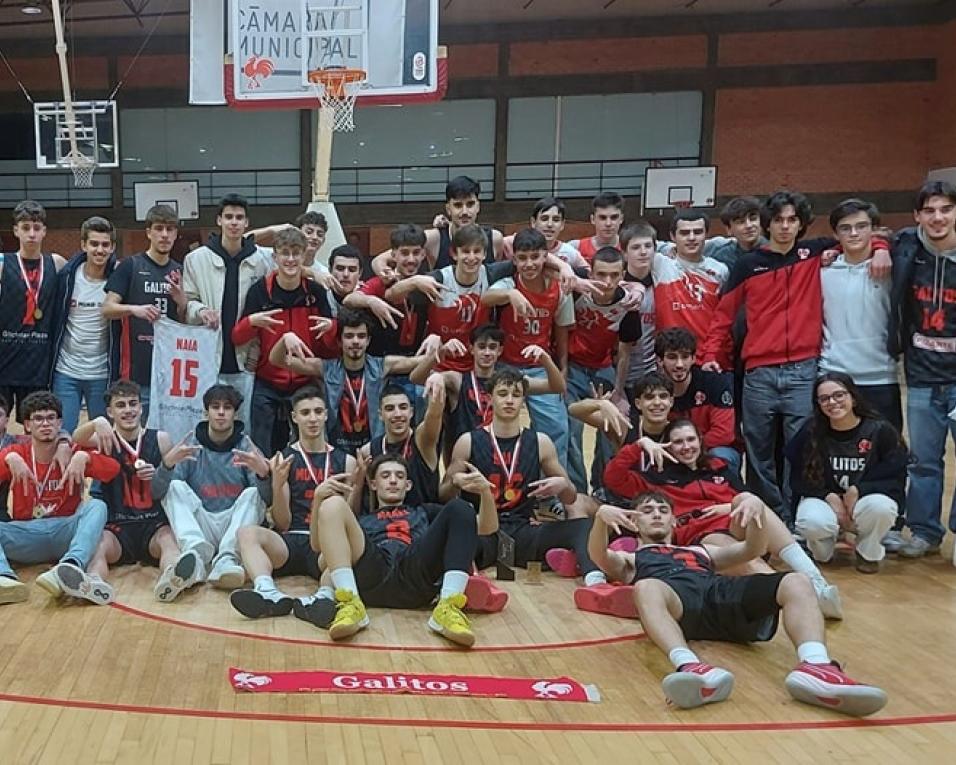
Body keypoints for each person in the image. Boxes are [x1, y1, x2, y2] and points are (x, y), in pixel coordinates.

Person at [583, 493, 887, 716]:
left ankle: (816, 667)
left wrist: (755, 512)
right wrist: (600, 521)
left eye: (663, 509)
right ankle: (691, 667)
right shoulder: (631, 559)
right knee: (646, 587)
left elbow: (752, 548)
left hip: (719, 596)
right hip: (679, 603)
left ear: (675, 520)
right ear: (634, 522)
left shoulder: (703, 550)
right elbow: (599, 556)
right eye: (647, 510)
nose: (657, 514)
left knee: (796, 581)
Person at [700, 190, 890, 520]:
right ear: (767, 224)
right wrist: (712, 353)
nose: (785, 227)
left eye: (792, 220)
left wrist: (882, 248)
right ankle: (767, 517)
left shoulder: (814, 253)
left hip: (804, 370)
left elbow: (865, 239)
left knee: (799, 449)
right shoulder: (748, 265)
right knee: (758, 452)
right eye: (778, 220)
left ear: (801, 224)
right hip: (759, 372)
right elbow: (723, 315)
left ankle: (795, 515)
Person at [602, 418, 843, 619]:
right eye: (677, 442)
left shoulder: (719, 466)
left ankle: (815, 580)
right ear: (667, 446)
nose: (686, 446)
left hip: (734, 521)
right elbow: (612, 477)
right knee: (742, 553)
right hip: (702, 537)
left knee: (752, 502)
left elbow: (744, 497)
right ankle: (803, 594)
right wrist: (640, 444)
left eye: (690, 439)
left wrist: (728, 506)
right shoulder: (655, 477)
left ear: (700, 441)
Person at [443, 369, 606, 586]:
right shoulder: (468, 441)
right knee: (453, 534)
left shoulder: (541, 442)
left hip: (524, 530)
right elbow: (443, 494)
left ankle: (596, 584)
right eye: (502, 394)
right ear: (490, 398)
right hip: (483, 530)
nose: (509, 400)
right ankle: (466, 584)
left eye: (516, 394)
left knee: (582, 526)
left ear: (523, 400)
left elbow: (570, 498)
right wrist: (456, 482)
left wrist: (562, 484)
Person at [314, 455, 494, 646]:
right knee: (332, 504)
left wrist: (485, 493)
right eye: (386, 475)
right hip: (374, 568)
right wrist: (318, 499)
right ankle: (350, 602)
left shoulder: (424, 511)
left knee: (461, 508)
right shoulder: (360, 519)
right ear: (373, 484)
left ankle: (448, 606)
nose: (393, 480)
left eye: (399, 476)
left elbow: (486, 528)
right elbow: (318, 547)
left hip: (413, 570)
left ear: (408, 485)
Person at [229, 386, 354, 620]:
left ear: (327, 414)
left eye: (318, 411)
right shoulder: (282, 458)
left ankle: (322, 599)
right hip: (289, 540)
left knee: (345, 547)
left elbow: (350, 517)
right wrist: (277, 484)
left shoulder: (346, 461)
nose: (313, 418)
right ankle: (268, 592)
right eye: (305, 413)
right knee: (246, 533)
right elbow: (282, 521)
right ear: (294, 418)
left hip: (323, 545)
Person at [73, 380, 200, 601]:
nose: (128, 410)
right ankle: (93, 583)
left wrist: (159, 472)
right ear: (110, 412)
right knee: (99, 547)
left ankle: (172, 577)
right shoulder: (104, 440)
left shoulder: (160, 439)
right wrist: (96, 423)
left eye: (133, 404)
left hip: (153, 523)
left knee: (168, 542)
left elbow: (170, 485)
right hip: (117, 525)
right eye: (120, 405)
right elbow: (76, 437)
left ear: (141, 407)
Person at [887, 181, 956, 560]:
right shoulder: (907, 249)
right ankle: (926, 531)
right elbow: (875, 238)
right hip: (920, 376)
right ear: (917, 217)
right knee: (924, 460)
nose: (938, 217)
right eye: (929, 211)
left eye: (945, 209)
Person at [0, 391, 119, 605]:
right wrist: (7, 458)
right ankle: (4, 578)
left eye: (50, 418)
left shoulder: (73, 451)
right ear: (27, 425)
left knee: (97, 506)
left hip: (66, 530)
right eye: (38, 418)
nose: (45, 424)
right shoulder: (17, 452)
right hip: (27, 533)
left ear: (60, 423)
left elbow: (112, 471)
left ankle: (70, 566)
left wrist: (85, 457)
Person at [152, 384, 271, 589]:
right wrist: (166, 465)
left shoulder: (247, 447)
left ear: (235, 413)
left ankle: (226, 559)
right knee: (175, 486)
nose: (221, 412)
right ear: (206, 412)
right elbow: (157, 493)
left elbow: (266, 501)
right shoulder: (191, 445)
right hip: (201, 524)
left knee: (253, 492)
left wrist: (264, 475)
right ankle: (195, 555)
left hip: (233, 527)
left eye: (227, 407)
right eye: (216, 407)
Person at [788, 373, 906, 574]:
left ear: (853, 396)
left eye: (839, 395)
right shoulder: (810, 431)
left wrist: (859, 489)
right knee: (811, 521)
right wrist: (829, 496)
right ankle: (821, 547)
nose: (832, 402)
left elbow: (895, 476)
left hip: (864, 501)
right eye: (824, 398)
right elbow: (797, 480)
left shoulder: (879, 429)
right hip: (825, 501)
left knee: (882, 508)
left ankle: (868, 552)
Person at [231, 226, 335, 454]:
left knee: (312, 447)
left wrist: (333, 327)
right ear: (274, 256)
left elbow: (329, 344)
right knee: (261, 449)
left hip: (305, 381)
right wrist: (252, 322)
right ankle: (263, 488)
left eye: (296, 253)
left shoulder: (316, 291)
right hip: (267, 381)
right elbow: (237, 338)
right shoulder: (259, 291)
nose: (290, 259)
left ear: (304, 254)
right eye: (285, 253)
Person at [482, 228, 575, 467]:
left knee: (557, 428)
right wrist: (511, 294)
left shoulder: (558, 289)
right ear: (514, 260)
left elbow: (561, 330)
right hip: (505, 368)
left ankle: (553, 492)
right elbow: (485, 299)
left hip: (539, 368)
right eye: (522, 258)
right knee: (494, 427)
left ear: (546, 256)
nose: (529, 263)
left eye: (535, 257)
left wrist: (562, 367)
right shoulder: (507, 283)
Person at [182, 193, 276, 426]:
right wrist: (201, 310)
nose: (234, 222)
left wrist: (259, 348)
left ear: (246, 224)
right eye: (229, 217)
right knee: (206, 423)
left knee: (243, 427)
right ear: (219, 220)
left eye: (239, 217)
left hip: (246, 359)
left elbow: (271, 308)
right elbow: (188, 301)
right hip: (207, 358)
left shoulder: (264, 260)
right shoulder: (196, 259)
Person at [409, 324, 566, 455]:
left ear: (500, 351)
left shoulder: (511, 381)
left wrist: (546, 359)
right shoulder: (456, 380)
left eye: (492, 348)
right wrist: (441, 352)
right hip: (464, 455)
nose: (487, 353)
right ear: (471, 349)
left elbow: (557, 387)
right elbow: (416, 378)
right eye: (481, 347)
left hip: (500, 455)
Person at [820, 199, 902, 431]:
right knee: (837, 455)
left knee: (887, 454)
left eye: (862, 226)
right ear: (836, 234)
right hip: (835, 376)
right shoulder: (822, 272)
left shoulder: (893, 269)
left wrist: (882, 249)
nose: (854, 233)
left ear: (873, 230)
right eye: (845, 228)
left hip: (881, 377)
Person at [566, 246, 643, 491]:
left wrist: (618, 391)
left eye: (614, 275)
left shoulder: (628, 304)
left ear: (623, 275)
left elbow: (625, 351)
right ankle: (577, 491)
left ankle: (603, 486)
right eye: (601, 274)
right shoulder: (577, 290)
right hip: (572, 366)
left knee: (612, 424)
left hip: (602, 368)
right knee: (571, 429)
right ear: (591, 273)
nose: (607, 281)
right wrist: (562, 369)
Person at [268, 308, 392, 453]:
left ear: (368, 340)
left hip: (372, 448)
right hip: (336, 450)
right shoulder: (325, 368)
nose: (356, 341)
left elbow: (417, 362)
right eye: (349, 336)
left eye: (361, 336)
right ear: (339, 341)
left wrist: (427, 340)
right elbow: (276, 360)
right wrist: (285, 339)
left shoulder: (383, 366)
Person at [103, 204, 182, 415]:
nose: (164, 235)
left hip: (170, 373)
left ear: (176, 233)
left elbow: (185, 320)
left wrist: (181, 301)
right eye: (158, 228)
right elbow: (107, 308)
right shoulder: (131, 265)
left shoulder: (180, 270)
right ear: (149, 232)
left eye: (170, 229)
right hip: (136, 372)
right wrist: (133, 309)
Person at [0, 201, 67, 418]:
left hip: (38, 365)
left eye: (37, 228)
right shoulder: (3, 264)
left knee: (36, 426)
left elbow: (86, 273)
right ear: (16, 230)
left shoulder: (56, 263)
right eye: (26, 227)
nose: (31, 234)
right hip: (5, 360)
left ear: (44, 232)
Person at [51, 216, 117, 433]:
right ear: (83, 245)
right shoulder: (67, 276)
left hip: (101, 374)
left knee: (103, 437)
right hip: (66, 371)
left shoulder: (118, 280)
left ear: (112, 247)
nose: (99, 250)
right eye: (94, 244)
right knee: (64, 433)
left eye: (105, 244)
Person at [655, 327, 740, 474]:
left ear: (694, 358)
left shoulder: (714, 383)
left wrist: (688, 448)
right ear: (660, 361)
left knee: (721, 455)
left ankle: (724, 495)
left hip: (710, 449)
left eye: (685, 356)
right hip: (670, 451)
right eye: (672, 357)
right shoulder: (653, 389)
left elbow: (724, 434)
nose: (679, 364)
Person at [356, 382, 444, 510]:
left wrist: (438, 383)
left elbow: (435, 415)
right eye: (390, 408)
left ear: (411, 412)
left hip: (424, 524)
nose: (397, 414)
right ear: (380, 415)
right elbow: (371, 501)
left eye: (403, 407)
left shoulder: (422, 440)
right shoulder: (368, 450)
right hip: (384, 525)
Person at [652, 208, 729, 348]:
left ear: (706, 234)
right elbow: (631, 242)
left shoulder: (720, 270)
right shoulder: (659, 264)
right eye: (684, 233)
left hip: (708, 356)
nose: (692, 237)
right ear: (673, 236)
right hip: (670, 357)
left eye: (698, 232)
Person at [616, 222, 659, 410]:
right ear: (624, 253)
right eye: (636, 247)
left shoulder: (663, 284)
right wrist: (617, 388)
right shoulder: (617, 288)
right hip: (618, 375)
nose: (643, 252)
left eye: (648, 246)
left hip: (653, 374)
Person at [428, 175, 502, 269]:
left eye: (470, 204)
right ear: (448, 209)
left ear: (478, 206)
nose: (465, 212)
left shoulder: (494, 239)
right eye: (458, 205)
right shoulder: (433, 240)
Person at [501, 197, 590, 270]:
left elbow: (588, 273)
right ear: (533, 222)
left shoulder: (570, 253)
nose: (550, 224)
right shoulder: (512, 243)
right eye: (544, 219)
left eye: (556, 220)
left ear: (562, 224)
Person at [710, 196, 766, 269]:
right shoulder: (723, 257)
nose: (748, 225)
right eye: (741, 222)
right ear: (729, 229)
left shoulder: (775, 251)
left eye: (753, 219)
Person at [568, 191, 625, 263]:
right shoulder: (575, 247)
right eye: (602, 218)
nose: (608, 223)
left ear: (621, 219)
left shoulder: (631, 249)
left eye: (614, 217)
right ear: (592, 219)